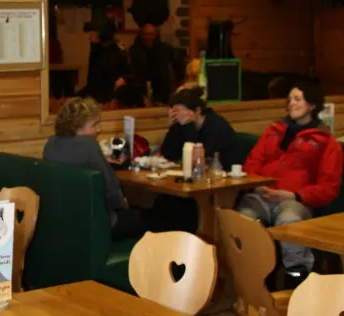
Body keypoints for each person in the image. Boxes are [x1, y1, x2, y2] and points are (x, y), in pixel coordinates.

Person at [238, 82, 343, 286]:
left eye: (297, 99)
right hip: (261, 195)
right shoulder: (273, 131)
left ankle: (296, 280)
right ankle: (253, 279)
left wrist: (294, 195)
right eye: (290, 99)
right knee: (243, 219)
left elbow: (329, 188)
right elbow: (252, 163)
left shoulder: (326, 142)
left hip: (294, 201)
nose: (291, 104)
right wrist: (257, 184)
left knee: (288, 220)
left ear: (312, 105)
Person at [42, 97, 152, 239]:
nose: (98, 130)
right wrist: (124, 204)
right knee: (151, 219)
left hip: (64, 221)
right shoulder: (88, 145)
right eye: (94, 125)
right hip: (96, 224)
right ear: (77, 127)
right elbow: (110, 188)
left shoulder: (51, 143)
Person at [160, 86, 243, 170]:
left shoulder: (215, 124)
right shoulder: (182, 124)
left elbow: (200, 159)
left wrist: (188, 126)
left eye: (179, 111)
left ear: (197, 110)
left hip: (225, 173)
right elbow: (168, 155)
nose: (176, 115)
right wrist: (173, 127)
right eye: (174, 111)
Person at [128, 23, 182, 105]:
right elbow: (132, 71)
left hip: (161, 88)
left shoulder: (164, 49)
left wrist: (178, 81)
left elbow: (176, 63)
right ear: (142, 35)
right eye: (146, 34)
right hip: (141, 89)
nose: (149, 37)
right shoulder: (134, 51)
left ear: (155, 35)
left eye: (151, 34)